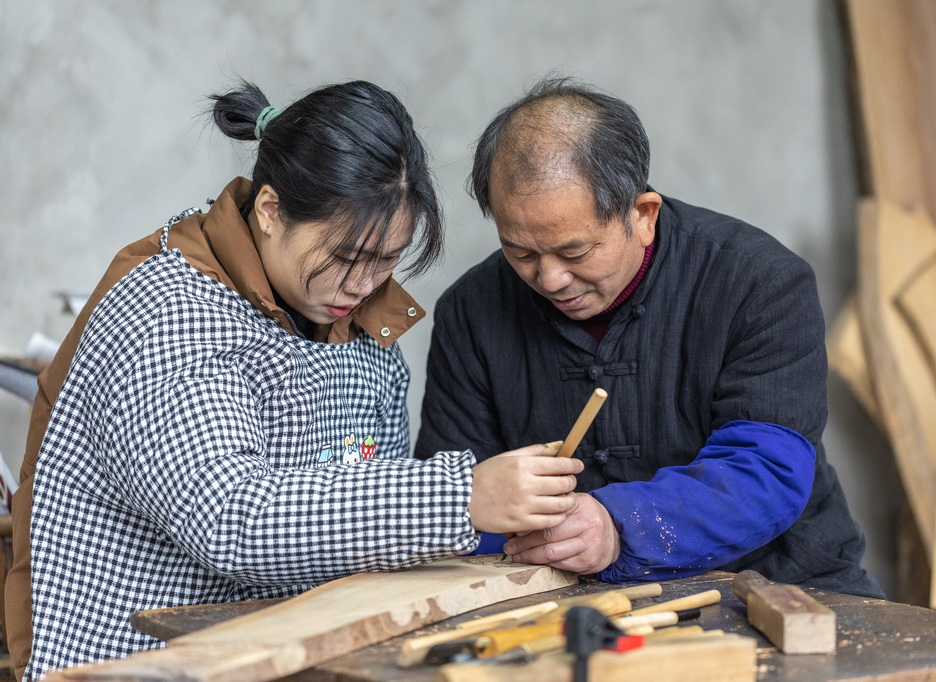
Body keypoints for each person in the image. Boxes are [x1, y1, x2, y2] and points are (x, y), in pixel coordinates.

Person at [6, 80, 582, 680]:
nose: (363, 285)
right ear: (271, 211)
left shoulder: (362, 331)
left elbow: (363, 520)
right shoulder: (169, 308)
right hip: (125, 660)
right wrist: (460, 496)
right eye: (345, 257)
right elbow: (230, 516)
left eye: (387, 259)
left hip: (275, 655)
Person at [416, 77, 882, 598]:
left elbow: (767, 471)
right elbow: (458, 495)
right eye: (520, 252)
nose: (549, 279)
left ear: (642, 215)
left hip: (782, 583)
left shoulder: (759, 281)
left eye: (574, 252)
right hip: (557, 598)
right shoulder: (471, 311)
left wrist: (617, 526)